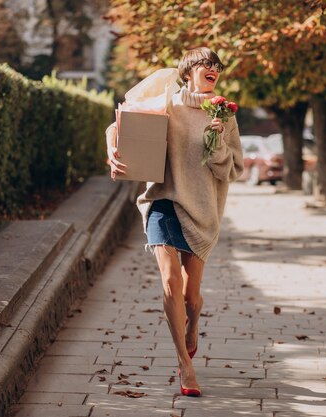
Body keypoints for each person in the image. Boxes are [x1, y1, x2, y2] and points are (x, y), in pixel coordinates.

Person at [105, 47, 243, 397]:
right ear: (188, 71)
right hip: (162, 201)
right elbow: (119, 124)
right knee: (170, 281)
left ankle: (193, 321)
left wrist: (217, 144)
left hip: (202, 209)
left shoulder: (224, 114)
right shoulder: (167, 101)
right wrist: (113, 152)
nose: (213, 69)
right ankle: (185, 364)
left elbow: (233, 169)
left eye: (217, 66)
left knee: (191, 294)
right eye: (205, 64)